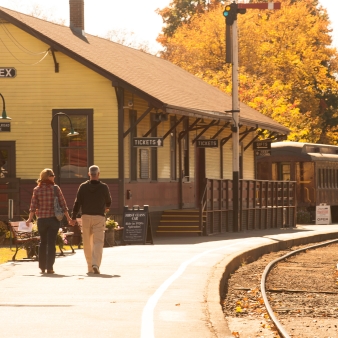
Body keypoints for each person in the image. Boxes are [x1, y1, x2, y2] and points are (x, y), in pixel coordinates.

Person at [26, 168, 73, 274]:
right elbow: (63, 205)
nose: (54, 177)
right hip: (53, 219)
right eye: (52, 175)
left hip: (42, 220)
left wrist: (29, 218)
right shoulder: (55, 188)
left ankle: (42, 267)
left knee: (43, 242)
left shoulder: (36, 190)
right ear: (47, 176)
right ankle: (50, 268)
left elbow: (33, 206)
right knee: (51, 243)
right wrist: (68, 218)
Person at [70, 165, 112, 274]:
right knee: (98, 241)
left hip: (86, 217)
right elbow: (108, 201)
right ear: (98, 174)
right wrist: (106, 207)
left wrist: (73, 217)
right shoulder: (104, 187)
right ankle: (95, 264)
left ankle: (89, 266)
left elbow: (77, 203)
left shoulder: (83, 187)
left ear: (89, 174)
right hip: (99, 217)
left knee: (87, 242)